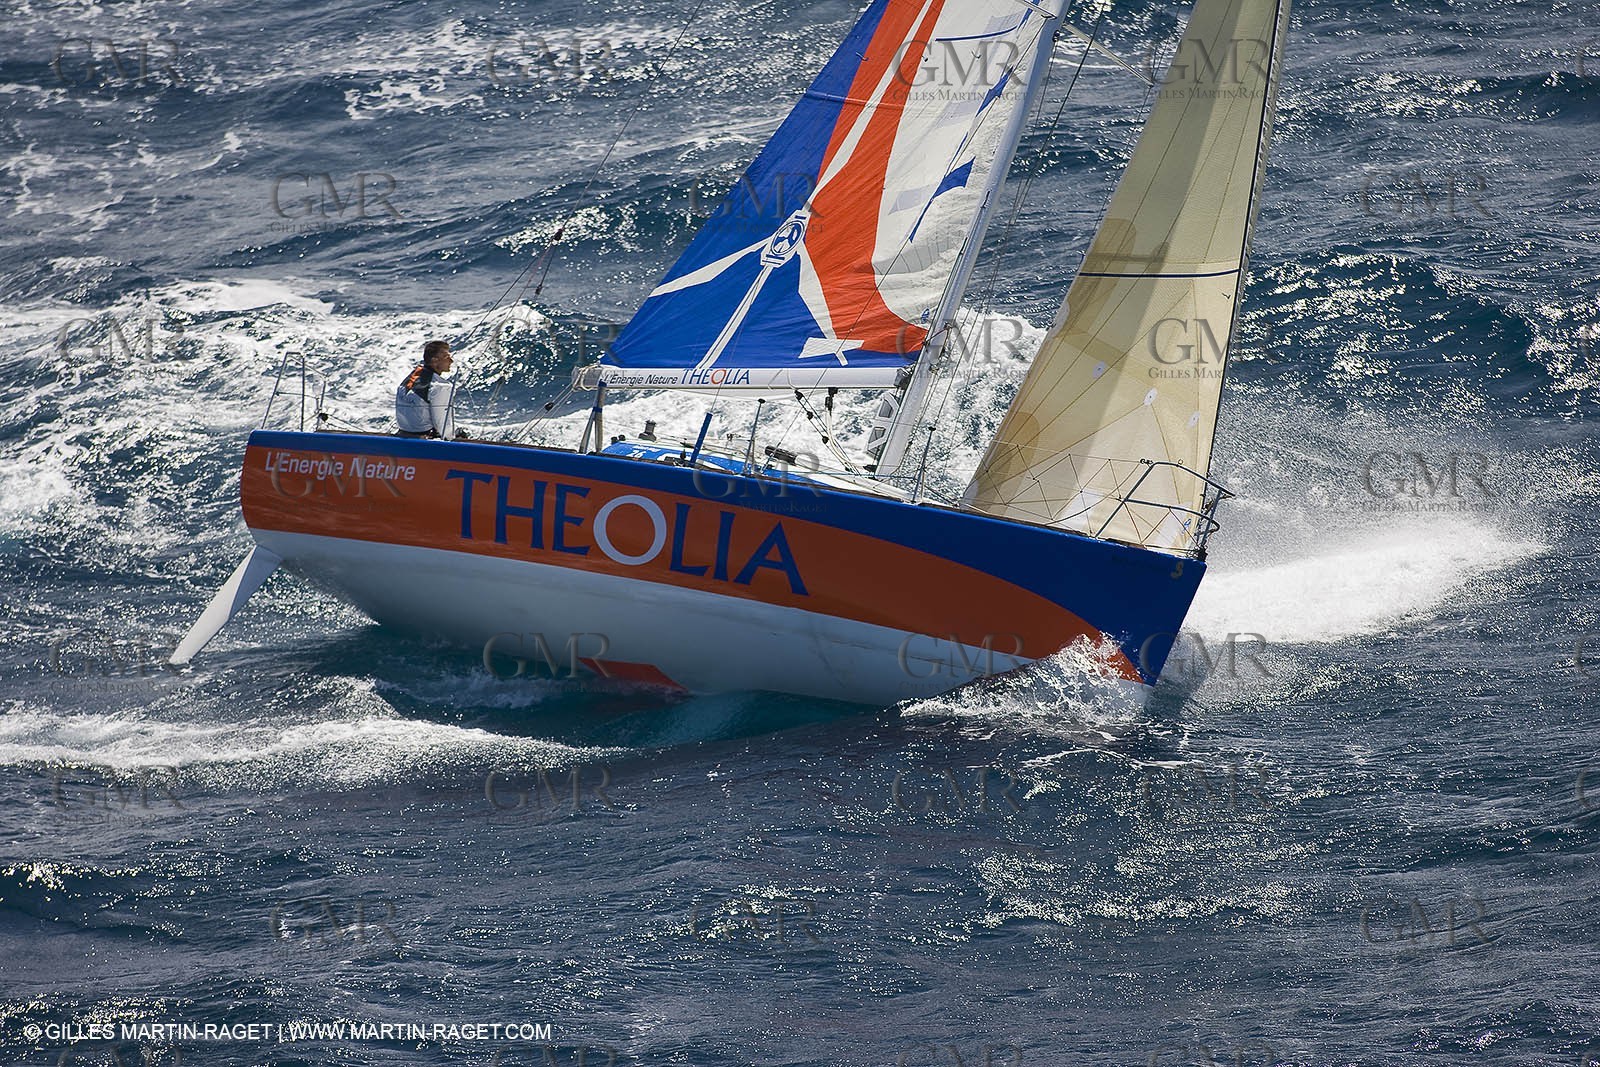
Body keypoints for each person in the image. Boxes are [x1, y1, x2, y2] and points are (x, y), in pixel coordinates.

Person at [395, 340, 458, 439]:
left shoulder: (408, 379)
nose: (451, 361)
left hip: (402, 434)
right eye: (447, 357)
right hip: (424, 440)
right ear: (434, 361)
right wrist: (452, 439)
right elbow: (442, 424)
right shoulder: (440, 386)